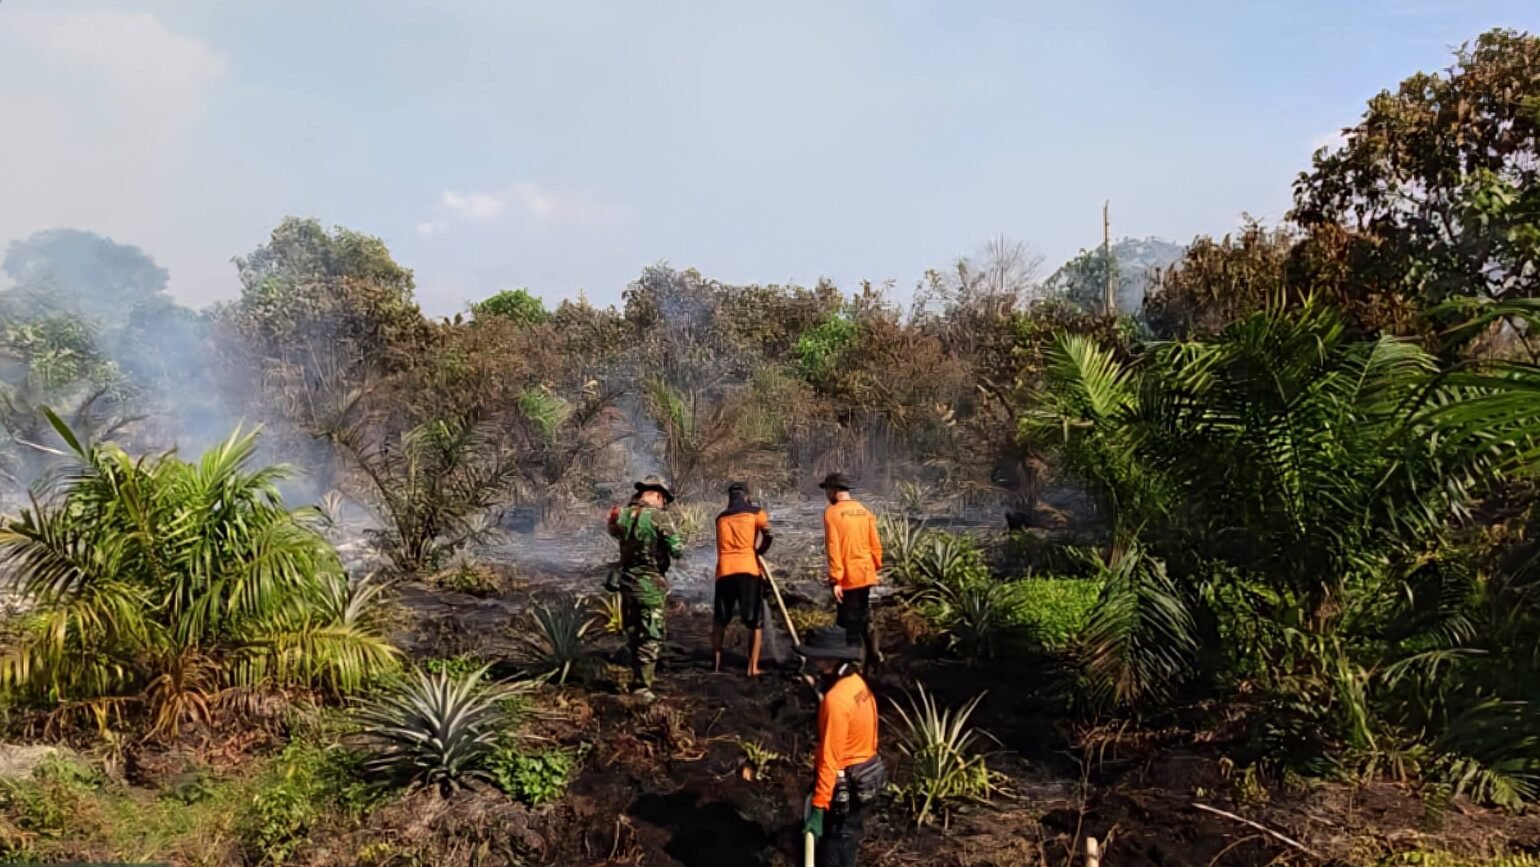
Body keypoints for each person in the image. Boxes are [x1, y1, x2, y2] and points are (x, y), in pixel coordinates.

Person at [797, 627, 882, 866]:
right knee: (849, 839)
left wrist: (818, 808)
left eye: (814, 657)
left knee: (835, 846)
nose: (810, 661)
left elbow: (830, 757)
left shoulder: (836, 701)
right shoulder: (857, 684)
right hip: (866, 776)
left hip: (844, 784)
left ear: (828, 660)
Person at [607, 475, 683, 702]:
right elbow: (677, 549)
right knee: (651, 634)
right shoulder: (659, 517)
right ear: (658, 496)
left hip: (627, 582)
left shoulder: (622, 515)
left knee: (633, 631)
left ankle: (631, 678)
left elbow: (614, 531)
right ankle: (642, 687)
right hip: (650, 584)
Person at [818, 473, 884, 664]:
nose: (826, 494)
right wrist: (874, 566)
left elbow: (833, 547)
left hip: (849, 576)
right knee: (861, 614)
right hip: (866, 572)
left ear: (835, 491)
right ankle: (872, 656)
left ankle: (852, 664)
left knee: (847, 622)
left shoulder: (832, 513)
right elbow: (876, 545)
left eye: (827, 490)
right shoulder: (864, 511)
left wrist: (836, 579)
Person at [711, 481, 773, 676]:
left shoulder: (720, 518)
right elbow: (769, 533)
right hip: (749, 570)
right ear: (747, 496)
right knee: (754, 621)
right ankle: (752, 668)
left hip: (725, 571)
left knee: (720, 620)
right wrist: (759, 550)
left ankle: (716, 666)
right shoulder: (757, 513)